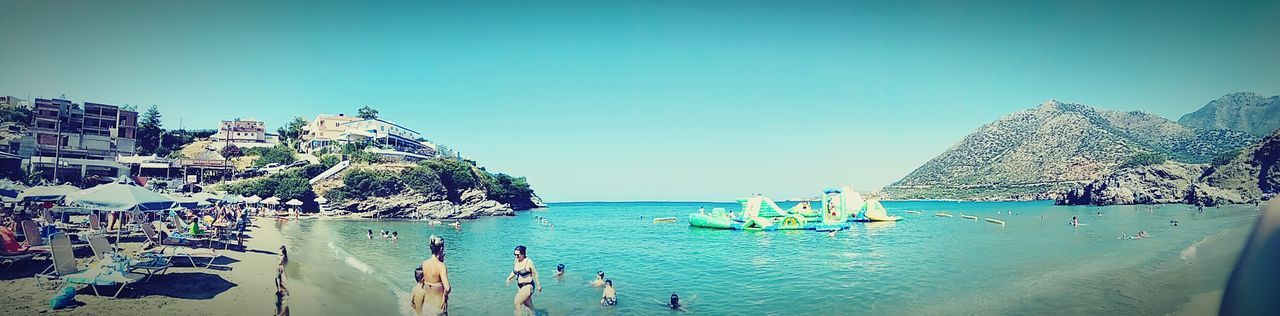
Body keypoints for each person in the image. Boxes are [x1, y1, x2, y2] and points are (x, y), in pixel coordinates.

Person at [414, 235, 450, 316]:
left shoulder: (424, 263)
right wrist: (445, 296)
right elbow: (447, 288)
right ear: (441, 249)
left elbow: (422, 283)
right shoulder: (441, 266)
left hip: (427, 305)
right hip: (438, 307)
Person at [506, 245, 540, 315]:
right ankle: (536, 314)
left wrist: (538, 285)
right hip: (520, 286)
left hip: (528, 285)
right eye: (514, 254)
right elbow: (514, 271)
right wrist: (509, 278)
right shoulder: (516, 261)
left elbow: (535, 273)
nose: (516, 256)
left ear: (523, 254)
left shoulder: (528, 262)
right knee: (528, 305)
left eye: (517, 255)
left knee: (517, 302)